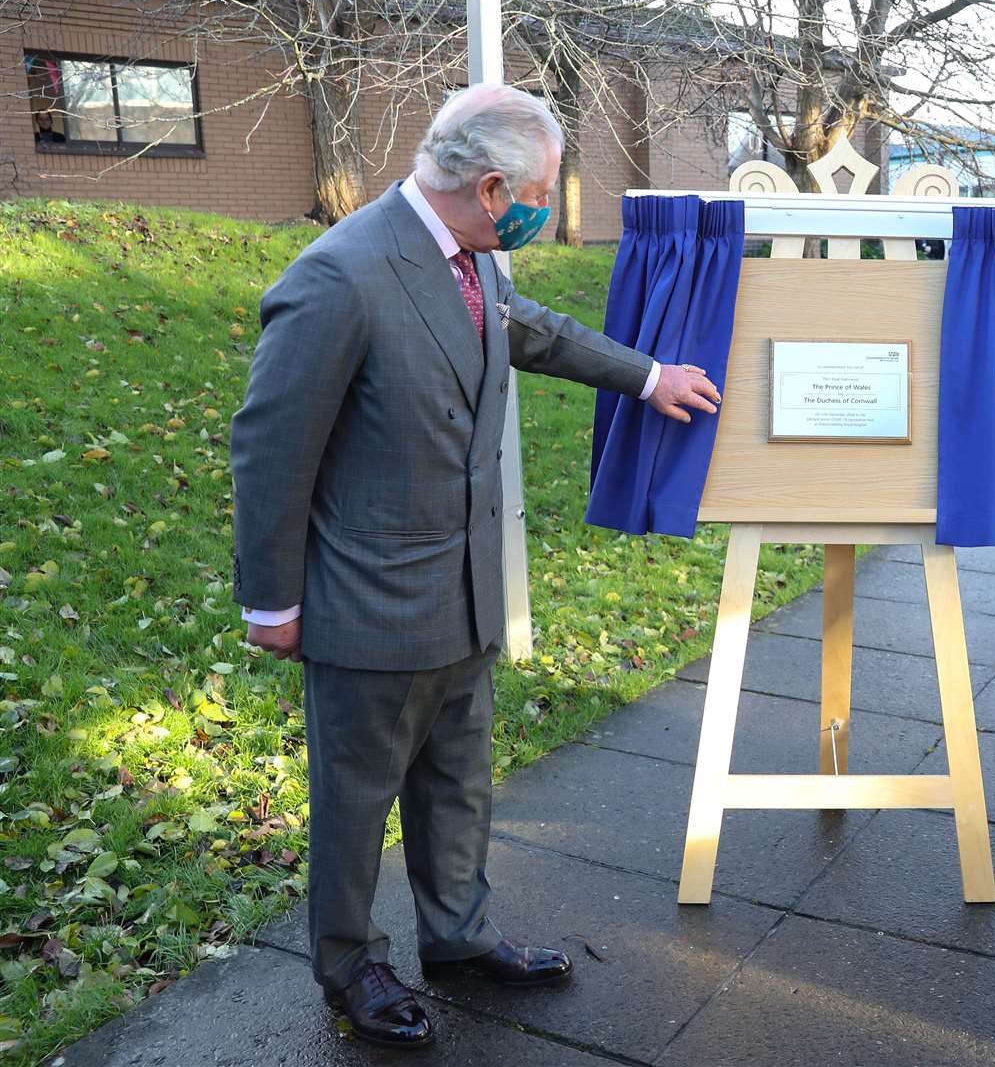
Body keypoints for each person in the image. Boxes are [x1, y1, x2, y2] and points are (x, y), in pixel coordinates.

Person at [230, 84, 722, 1049]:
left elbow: (530, 329)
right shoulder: (342, 274)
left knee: (457, 782)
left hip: (464, 589)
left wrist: (649, 375)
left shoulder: (471, 259)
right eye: (539, 194)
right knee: (355, 797)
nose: (544, 211)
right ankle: (350, 965)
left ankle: (456, 937)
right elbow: (270, 449)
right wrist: (271, 600)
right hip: (368, 603)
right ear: (493, 187)